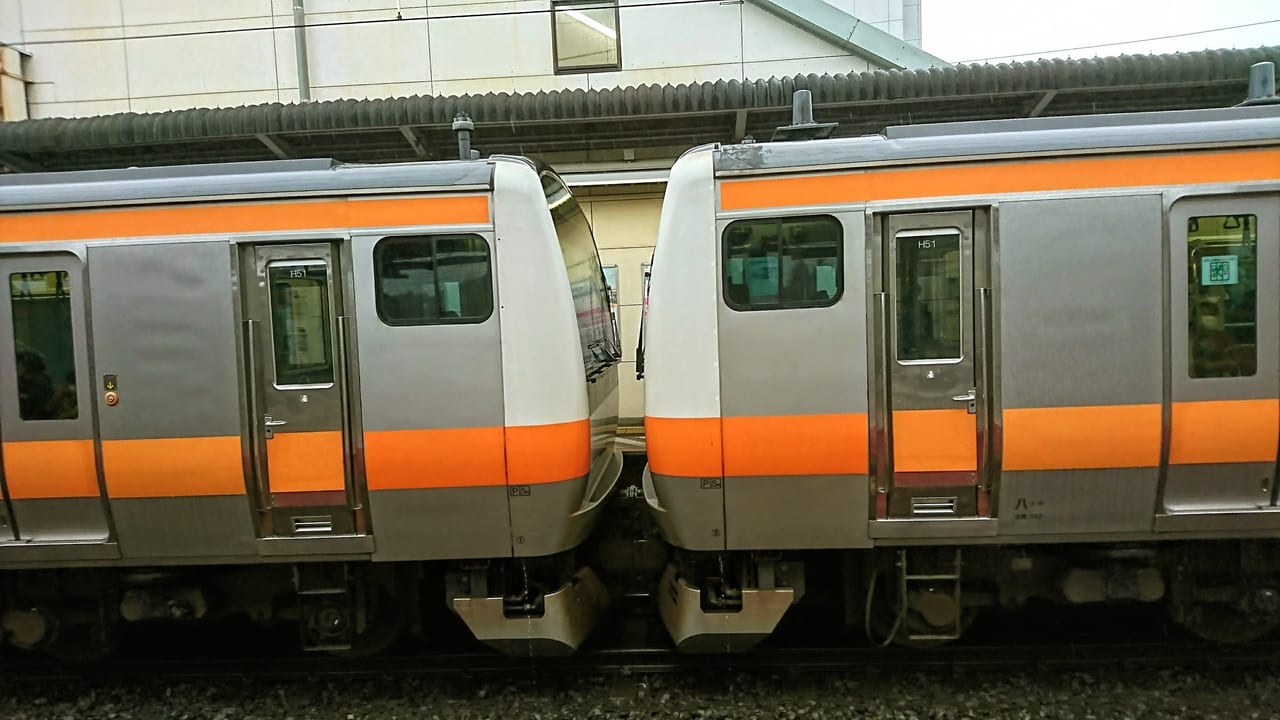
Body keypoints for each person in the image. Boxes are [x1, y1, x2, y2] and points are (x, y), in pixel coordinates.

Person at [15, 351, 53, 420]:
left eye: (19, 364)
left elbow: (39, 399)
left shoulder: (40, 380)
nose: (17, 367)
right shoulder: (23, 381)